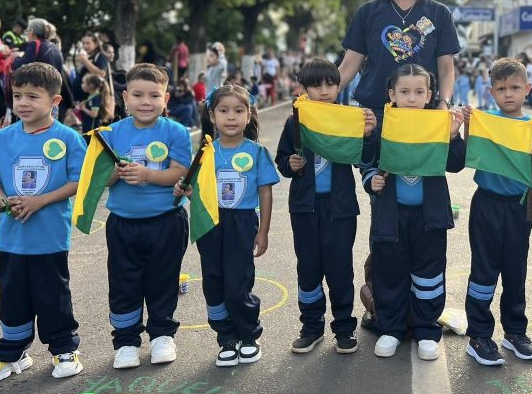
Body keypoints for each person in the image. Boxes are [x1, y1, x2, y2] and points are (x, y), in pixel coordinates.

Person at [0, 63, 88, 384]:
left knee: (53, 296)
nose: (22, 103)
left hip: (50, 238)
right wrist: (4, 202)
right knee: (12, 298)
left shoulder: (68, 138)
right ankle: (12, 353)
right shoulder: (1, 140)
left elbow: (79, 181)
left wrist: (40, 201)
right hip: (12, 239)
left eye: (32, 97)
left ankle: (64, 349)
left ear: (55, 101)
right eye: (17, 95)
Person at [361, 63, 465, 360]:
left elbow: (455, 164)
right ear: (391, 94)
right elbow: (367, 161)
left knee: (428, 275)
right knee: (389, 272)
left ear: (430, 95)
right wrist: (372, 179)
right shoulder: (383, 125)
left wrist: (453, 136)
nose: (411, 98)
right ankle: (390, 329)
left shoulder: (437, 124)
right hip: (391, 217)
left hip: (429, 218)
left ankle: (426, 330)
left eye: (419, 92)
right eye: (404, 91)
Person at [275, 58, 377, 355]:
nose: (324, 90)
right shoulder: (296, 120)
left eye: (330, 84)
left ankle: (344, 328)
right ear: (304, 88)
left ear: (339, 87)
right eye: (316, 85)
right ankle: (311, 327)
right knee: (308, 268)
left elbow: (364, 159)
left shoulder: (348, 119)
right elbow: (282, 159)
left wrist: (368, 135)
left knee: (340, 269)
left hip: (340, 209)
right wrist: (290, 164)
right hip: (304, 208)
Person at [176, 83, 278, 367]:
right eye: (223, 110)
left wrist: (263, 231)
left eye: (238, 110)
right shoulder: (205, 153)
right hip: (210, 222)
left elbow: (265, 192)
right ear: (212, 115)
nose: (231, 117)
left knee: (237, 282)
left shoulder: (257, 152)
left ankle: (248, 335)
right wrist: (186, 192)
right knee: (213, 281)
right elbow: (197, 192)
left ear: (249, 115)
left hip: (242, 222)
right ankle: (226, 338)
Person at [461, 58, 532, 366]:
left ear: (527, 88)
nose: (508, 94)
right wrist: (468, 124)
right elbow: (470, 153)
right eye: (501, 89)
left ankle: (515, 332)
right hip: (486, 203)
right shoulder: (486, 121)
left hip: (519, 206)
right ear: (491, 92)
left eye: (514, 87)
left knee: (515, 270)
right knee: (483, 270)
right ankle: (479, 335)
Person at [103, 64, 191, 369]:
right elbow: (101, 180)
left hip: (166, 221)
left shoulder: (176, 131)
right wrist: (115, 173)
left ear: (165, 99)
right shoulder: (110, 134)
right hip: (123, 223)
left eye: (154, 95)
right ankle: (126, 341)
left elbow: (180, 172)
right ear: (125, 97)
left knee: (162, 280)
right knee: (123, 282)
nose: (145, 102)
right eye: (138, 94)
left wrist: (147, 175)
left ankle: (162, 335)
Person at [338, 0, 461, 118]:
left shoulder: (440, 14)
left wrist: (444, 103)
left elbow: (446, 70)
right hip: (373, 117)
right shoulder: (367, 13)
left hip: (423, 116)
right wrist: (316, 98)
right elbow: (347, 68)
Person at [71, 33, 110, 102]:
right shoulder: (88, 57)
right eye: (83, 43)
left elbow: (101, 74)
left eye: (88, 43)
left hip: (92, 101)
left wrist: (85, 61)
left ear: (96, 44)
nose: (85, 46)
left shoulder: (101, 56)